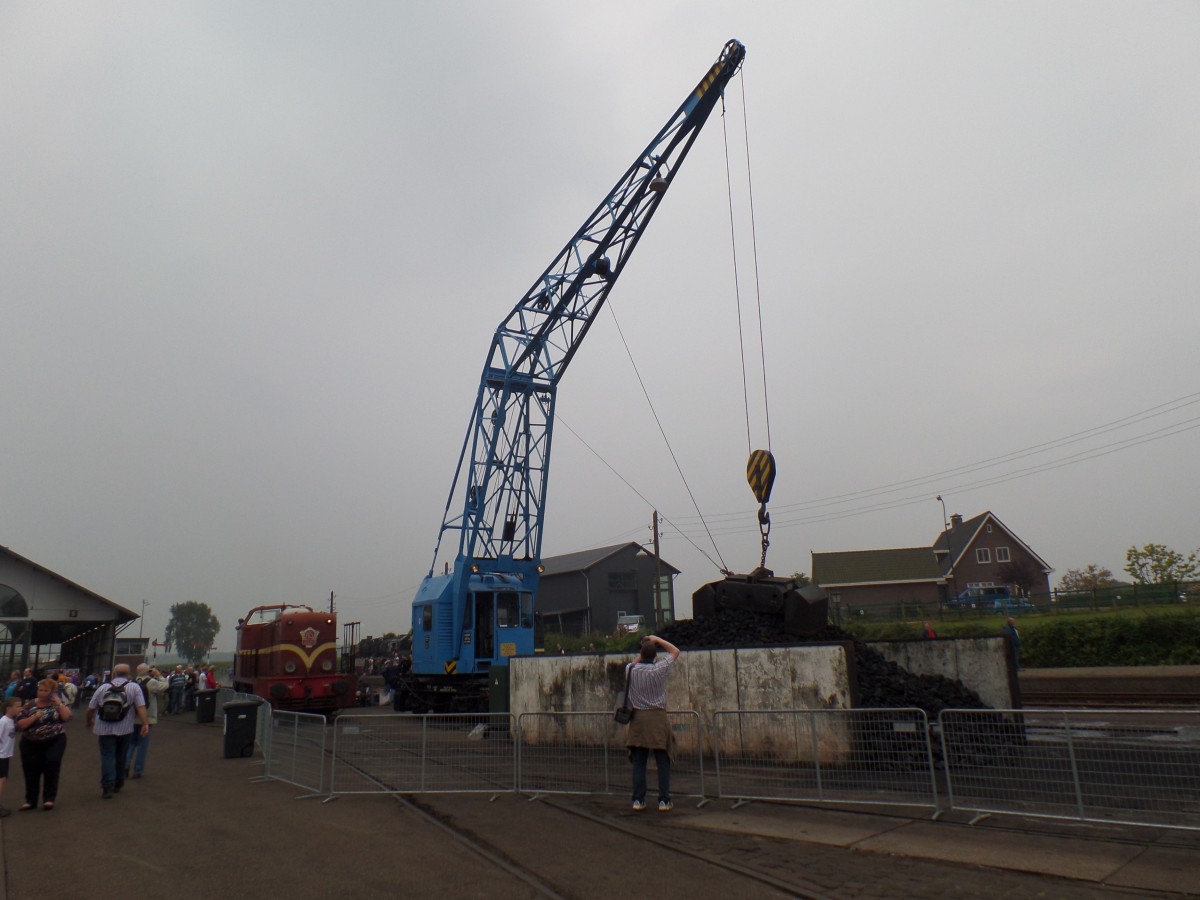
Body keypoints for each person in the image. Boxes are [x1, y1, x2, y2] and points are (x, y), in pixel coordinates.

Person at [623, 634, 681, 812]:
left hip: (639, 720)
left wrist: (645, 646)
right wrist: (657, 640)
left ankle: (638, 800)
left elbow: (635, 662)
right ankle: (664, 800)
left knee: (639, 762)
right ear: (655, 655)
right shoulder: (659, 669)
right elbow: (675, 651)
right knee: (662, 761)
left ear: (641, 653)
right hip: (658, 718)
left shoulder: (631, 669)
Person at [86, 664, 149, 799]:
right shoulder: (134, 687)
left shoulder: (103, 687)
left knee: (107, 756)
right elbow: (141, 707)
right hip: (125, 728)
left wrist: (89, 721)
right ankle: (118, 782)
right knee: (121, 755)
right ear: (128, 674)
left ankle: (107, 786)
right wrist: (145, 723)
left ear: (114, 673)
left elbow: (91, 708)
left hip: (104, 727)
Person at [15, 677, 72, 810]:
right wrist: (35, 716)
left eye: (46, 690)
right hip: (30, 742)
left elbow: (67, 717)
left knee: (51, 765)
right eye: (40, 690)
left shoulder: (58, 704)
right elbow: (21, 724)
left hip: (54, 740)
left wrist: (58, 702)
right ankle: (30, 800)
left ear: (52, 692)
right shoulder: (29, 705)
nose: (42, 693)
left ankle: (49, 799)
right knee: (30, 769)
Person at [125, 664, 168, 779]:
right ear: (148, 671)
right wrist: (159, 675)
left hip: (133, 717)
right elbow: (165, 686)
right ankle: (138, 770)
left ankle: (125, 765)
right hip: (147, 717)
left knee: (130, 743)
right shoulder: (152, 682)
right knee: (142, 745)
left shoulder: (131, 683)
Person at [0, 697, 20, 816]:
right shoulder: (3, 721)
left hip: (5, 755)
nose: (20, 708)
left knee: (3, 780)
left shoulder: (11, 720)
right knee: (1, 781)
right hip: (1, 755)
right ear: (8, 708)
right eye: (17, 706)